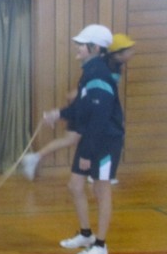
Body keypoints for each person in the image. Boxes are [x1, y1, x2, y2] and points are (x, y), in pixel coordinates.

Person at [44, 25, 124, 254]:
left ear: (95, 48)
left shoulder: (99, 75)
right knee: (75, 185)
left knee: (101, 189)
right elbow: (82, 107)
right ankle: (86, 235)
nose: (77, 47)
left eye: (81, 44)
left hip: (105, 141)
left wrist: (88, 153)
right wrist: (59, 114)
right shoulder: (89, 72)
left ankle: (100, 245)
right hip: (92, 137)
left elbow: (99, 118)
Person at [21, 33, 135, 182]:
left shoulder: (116, 67)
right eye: (128, 50)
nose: (132, 53)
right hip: (86, 111)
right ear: (117, 53)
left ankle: (36, 157)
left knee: (73, 139)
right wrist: (69, 108)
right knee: (75, 139)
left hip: (91, 111)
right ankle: (94, 173)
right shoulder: (102, 67)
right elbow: (80, 93)